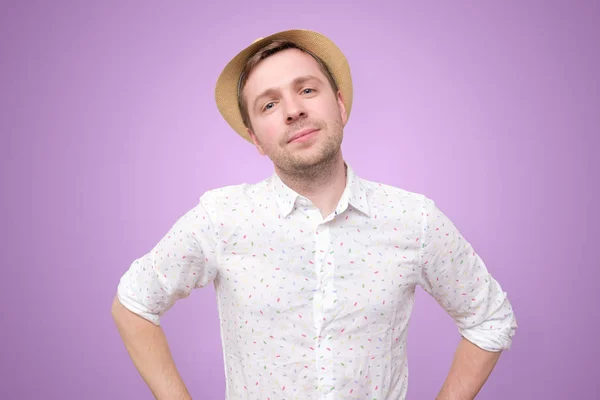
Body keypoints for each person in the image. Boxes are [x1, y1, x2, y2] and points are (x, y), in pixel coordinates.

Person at [111, 29, 517, 400]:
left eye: (306, 90)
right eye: (269, 104)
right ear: (255, 138)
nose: (292, 111)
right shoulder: (222, 218)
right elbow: (133, 303)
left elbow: (491, 319)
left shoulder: (413, 219)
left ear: (340, 105)